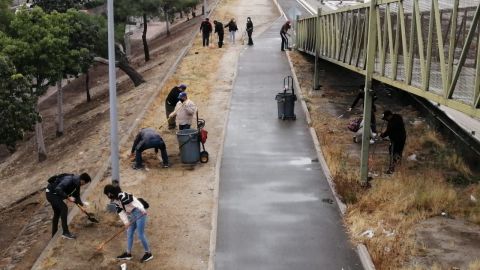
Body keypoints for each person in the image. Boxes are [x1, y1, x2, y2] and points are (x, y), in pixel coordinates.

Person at [103, 184, 153, 263]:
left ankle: (148, 253)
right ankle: (128, 254)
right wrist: (126, 222)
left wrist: (142, 209)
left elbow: (135, 201)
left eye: (107, 194)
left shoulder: (123, 196)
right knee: (129, 232)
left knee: (140, 234)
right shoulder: (115, 201)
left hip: (140, 213)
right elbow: (121, 212)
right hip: (132, 214)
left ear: (110, 193)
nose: (107, 196)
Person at [45, 173, 92, 239]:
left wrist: (82, 206)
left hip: (56, 195)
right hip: (51, 193)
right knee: (64, 208)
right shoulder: (69, 180)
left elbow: (76, 197)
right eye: (84, 183)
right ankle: (65, 233)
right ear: (82, 180)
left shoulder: (77, 184)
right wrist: (68, 197)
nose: (83, 185)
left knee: (57, 213)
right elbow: (58, 189)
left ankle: (54, 235)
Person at [380, 110, 406, 174]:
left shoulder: (392, 122)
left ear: (389, 116)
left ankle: (392, 169)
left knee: (393, 153)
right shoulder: (397, 117)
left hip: (396, 140)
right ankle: (398, 167)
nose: (386, 120)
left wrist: (383, 135)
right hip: (402, 138)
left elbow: (389, 131)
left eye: (386, 118)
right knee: (398, 152)